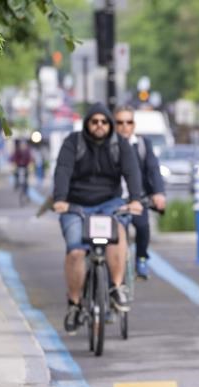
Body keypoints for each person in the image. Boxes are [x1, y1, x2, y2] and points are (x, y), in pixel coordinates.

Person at [52, 103, 144, 332]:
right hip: (76, 206)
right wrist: (60, 199)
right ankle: (74, 304)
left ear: (109, 124)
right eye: (94, 122)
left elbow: (132, 172)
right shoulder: (73, 142)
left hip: (109, 205)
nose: (99, 126)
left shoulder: (120, 145)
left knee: (118, 235)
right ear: (87, 124)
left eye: (104, 122)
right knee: (75, 252)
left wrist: (134, 199)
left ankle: (115, 287)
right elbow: (62, 170)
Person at [113, 105, 167, 279]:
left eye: (128, 122)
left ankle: (142, 258)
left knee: (143, 227)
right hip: (114, 200)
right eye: (120, 122)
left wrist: (159, 193)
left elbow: (153, 170)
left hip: (137, 198)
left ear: (134, 125)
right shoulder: (107, 146)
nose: (124, 126)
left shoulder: (143, 144)